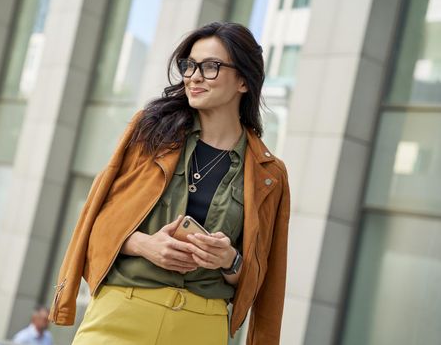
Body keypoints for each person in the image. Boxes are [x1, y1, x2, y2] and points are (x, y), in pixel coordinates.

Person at [49, 21, 290, 345]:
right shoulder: (149, 132)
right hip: (121, 313)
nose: (194, 76)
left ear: (244, 81)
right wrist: (144, 245)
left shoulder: (268, 173)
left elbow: (267, 279)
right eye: (189, 65)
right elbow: (94, 224)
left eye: (211, 66)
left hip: (202, 327)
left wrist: (228, 260)